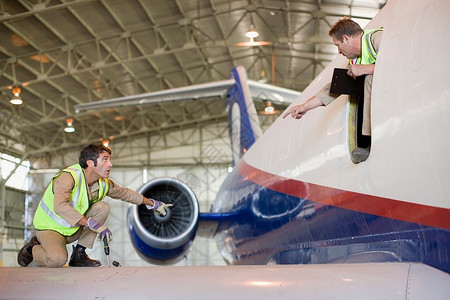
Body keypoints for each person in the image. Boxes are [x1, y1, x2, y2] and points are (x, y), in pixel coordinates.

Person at [17, 144, 173, 267]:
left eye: (109, 159)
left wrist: (152, 203)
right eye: (105, 159)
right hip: (50, 228)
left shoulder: (103, 183)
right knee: (57, 259)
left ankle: (79, 255)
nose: (110, 164)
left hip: (73, 229)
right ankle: (32, 248)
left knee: (102, 207)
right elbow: (60, 206)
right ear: (90, 163)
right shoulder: (68, 177)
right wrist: (91, 223)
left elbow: (125, 193)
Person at [283, 17, 383, 162]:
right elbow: (333, 88)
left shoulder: (377, 38)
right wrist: (305, 107)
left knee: (368, 78)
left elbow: (397, 61)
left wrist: (366, 69)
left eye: (338, 45)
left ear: (346, 38)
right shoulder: (355, 61)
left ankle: (369, 141)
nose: (338, 52)